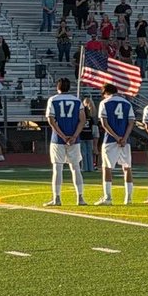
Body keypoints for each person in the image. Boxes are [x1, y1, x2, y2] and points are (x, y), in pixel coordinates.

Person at [44, 78, 85, 207]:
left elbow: (51, 120)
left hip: (58, 139)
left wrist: (62, 136)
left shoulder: (53, 99)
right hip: (74, 140)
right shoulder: (77, 100)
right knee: (76, 168)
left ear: (58, 87)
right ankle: (80, 198)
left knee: (57, 168)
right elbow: (82, 120)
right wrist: (74, 136)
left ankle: (57, 198)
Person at [97, 84, 135, 206]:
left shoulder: (105, 103)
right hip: (125, 140)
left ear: (105, 92)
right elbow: (131, 123)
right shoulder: (127, 103)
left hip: (110, 140)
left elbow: (104, 123)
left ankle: (108, 197)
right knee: (127, 168)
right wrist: (124, 137)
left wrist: (116, 136)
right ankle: (128, 198)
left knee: (107, 168)